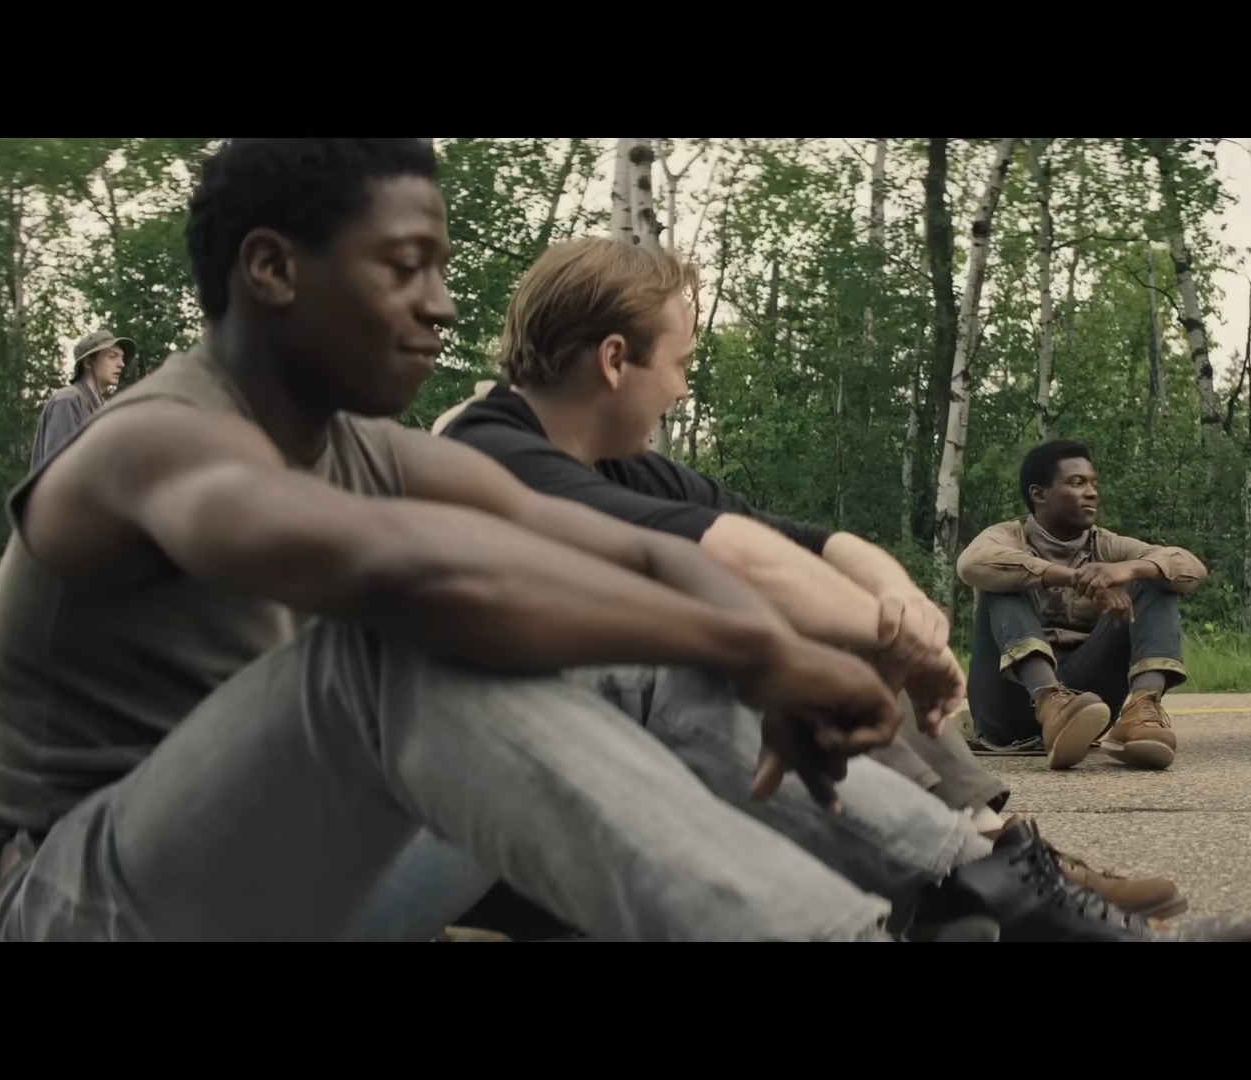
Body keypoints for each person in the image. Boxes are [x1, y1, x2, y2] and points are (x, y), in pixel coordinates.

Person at [0, 138, 1251, 943]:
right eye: (405, 266)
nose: (442, 307)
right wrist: (756, 650)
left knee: (630, 637)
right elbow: (400, 574)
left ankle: (992, 905)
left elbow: (645, 558)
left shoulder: (368, 447)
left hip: (319, 875)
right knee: (399, 651)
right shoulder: (154, 443)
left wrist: (762, 641)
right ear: (272, 270)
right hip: (98, 902)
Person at [421, 237, 1187, 927]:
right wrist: (890, 640)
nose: (682, 390)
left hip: (576, 792)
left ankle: (989, 860)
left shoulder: (620, 463)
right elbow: (738, 558)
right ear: (615, 360)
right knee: (773, 637)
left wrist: (901, 604)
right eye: (679, 365)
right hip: (476, 829)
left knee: (828, 623)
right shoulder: (487, 448)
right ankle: (983, 872)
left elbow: (815, 543)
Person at [955, 440, 1200, 772]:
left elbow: (1190, 568)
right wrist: (1077, 578)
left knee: (1156, 575)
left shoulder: (1107, 545)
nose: (1091, 492)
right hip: (1006, 706)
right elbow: (971, 563)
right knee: (1003, 578)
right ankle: (1049, 699)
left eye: (1093, 483)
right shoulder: (1007, 537)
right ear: (1039, 494)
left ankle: (1142, 712)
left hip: (1084, 708)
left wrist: (1127, 570)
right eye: (1077, 483)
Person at [29, 330, 132, 472]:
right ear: (88, 362)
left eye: (122, 358)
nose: (121, 364)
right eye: (112, 356)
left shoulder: (101, 409)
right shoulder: (67, 401)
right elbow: (59, 470)